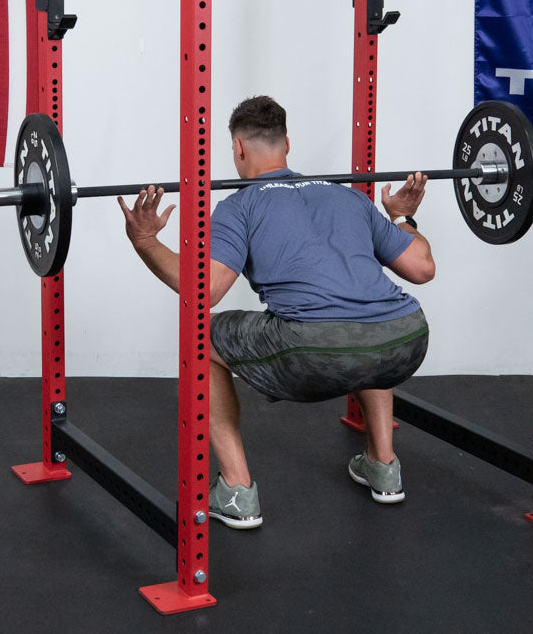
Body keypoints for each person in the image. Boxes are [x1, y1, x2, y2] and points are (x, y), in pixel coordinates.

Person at [118, 95, 434, 529]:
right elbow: (422, 268)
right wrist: (401, 217)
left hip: (315, 353)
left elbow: (205, 290)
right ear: (287, 144)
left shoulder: (239, 206)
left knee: (200, 334)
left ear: (238, 149)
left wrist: (145, 241)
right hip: (407, 338)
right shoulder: (347, 196)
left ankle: (236, 490)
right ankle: (383, 465)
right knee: (363, 314)